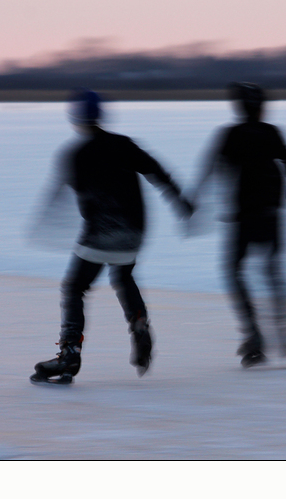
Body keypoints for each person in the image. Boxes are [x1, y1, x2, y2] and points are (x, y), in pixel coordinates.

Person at [29, 89, 193, 384]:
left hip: (99, 234)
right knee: (123, 277)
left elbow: (63, 195)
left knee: (74, 288)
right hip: (133, 232)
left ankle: (69, 355)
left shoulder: (76, 155)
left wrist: (48, 221)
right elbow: (158, 172)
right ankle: (139, 323)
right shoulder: (123, 145)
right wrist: (180, 201)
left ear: (76, 118)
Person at [191, 82, 286, 367]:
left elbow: (210, 166)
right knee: (272, 271)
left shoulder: (231, 134)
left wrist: (194, 201)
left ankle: (254, 334)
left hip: (245, 216)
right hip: (270, 213)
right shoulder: (271, 132)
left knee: (234, 271)